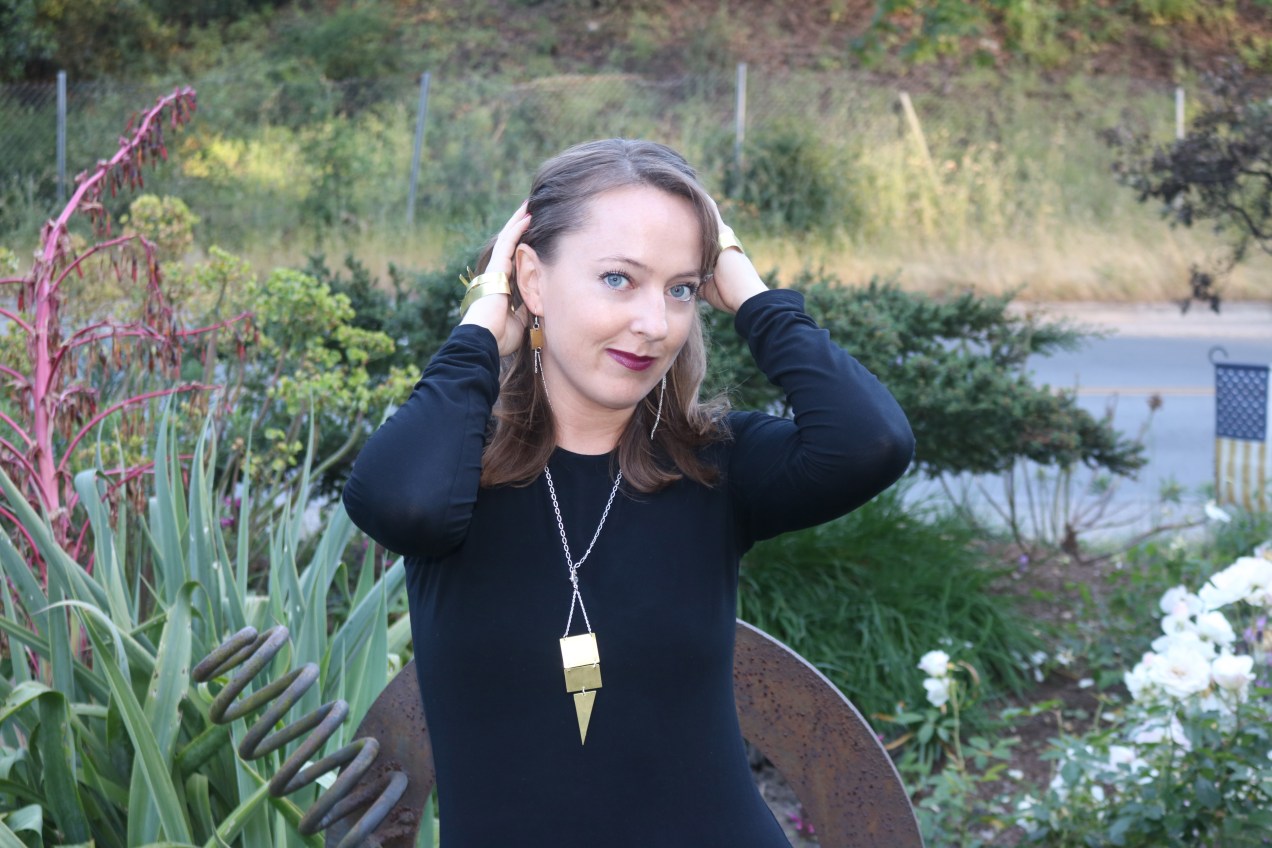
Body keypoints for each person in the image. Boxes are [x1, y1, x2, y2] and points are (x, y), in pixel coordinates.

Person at [342, 138, 914, 847]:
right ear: (533, 279)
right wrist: (483, 324)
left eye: (681, 288)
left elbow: (872, 441)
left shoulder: (713, 467)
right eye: (619, 279)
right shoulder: (456, 474)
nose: (655, 324)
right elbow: (398, 505)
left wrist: (748, 289)